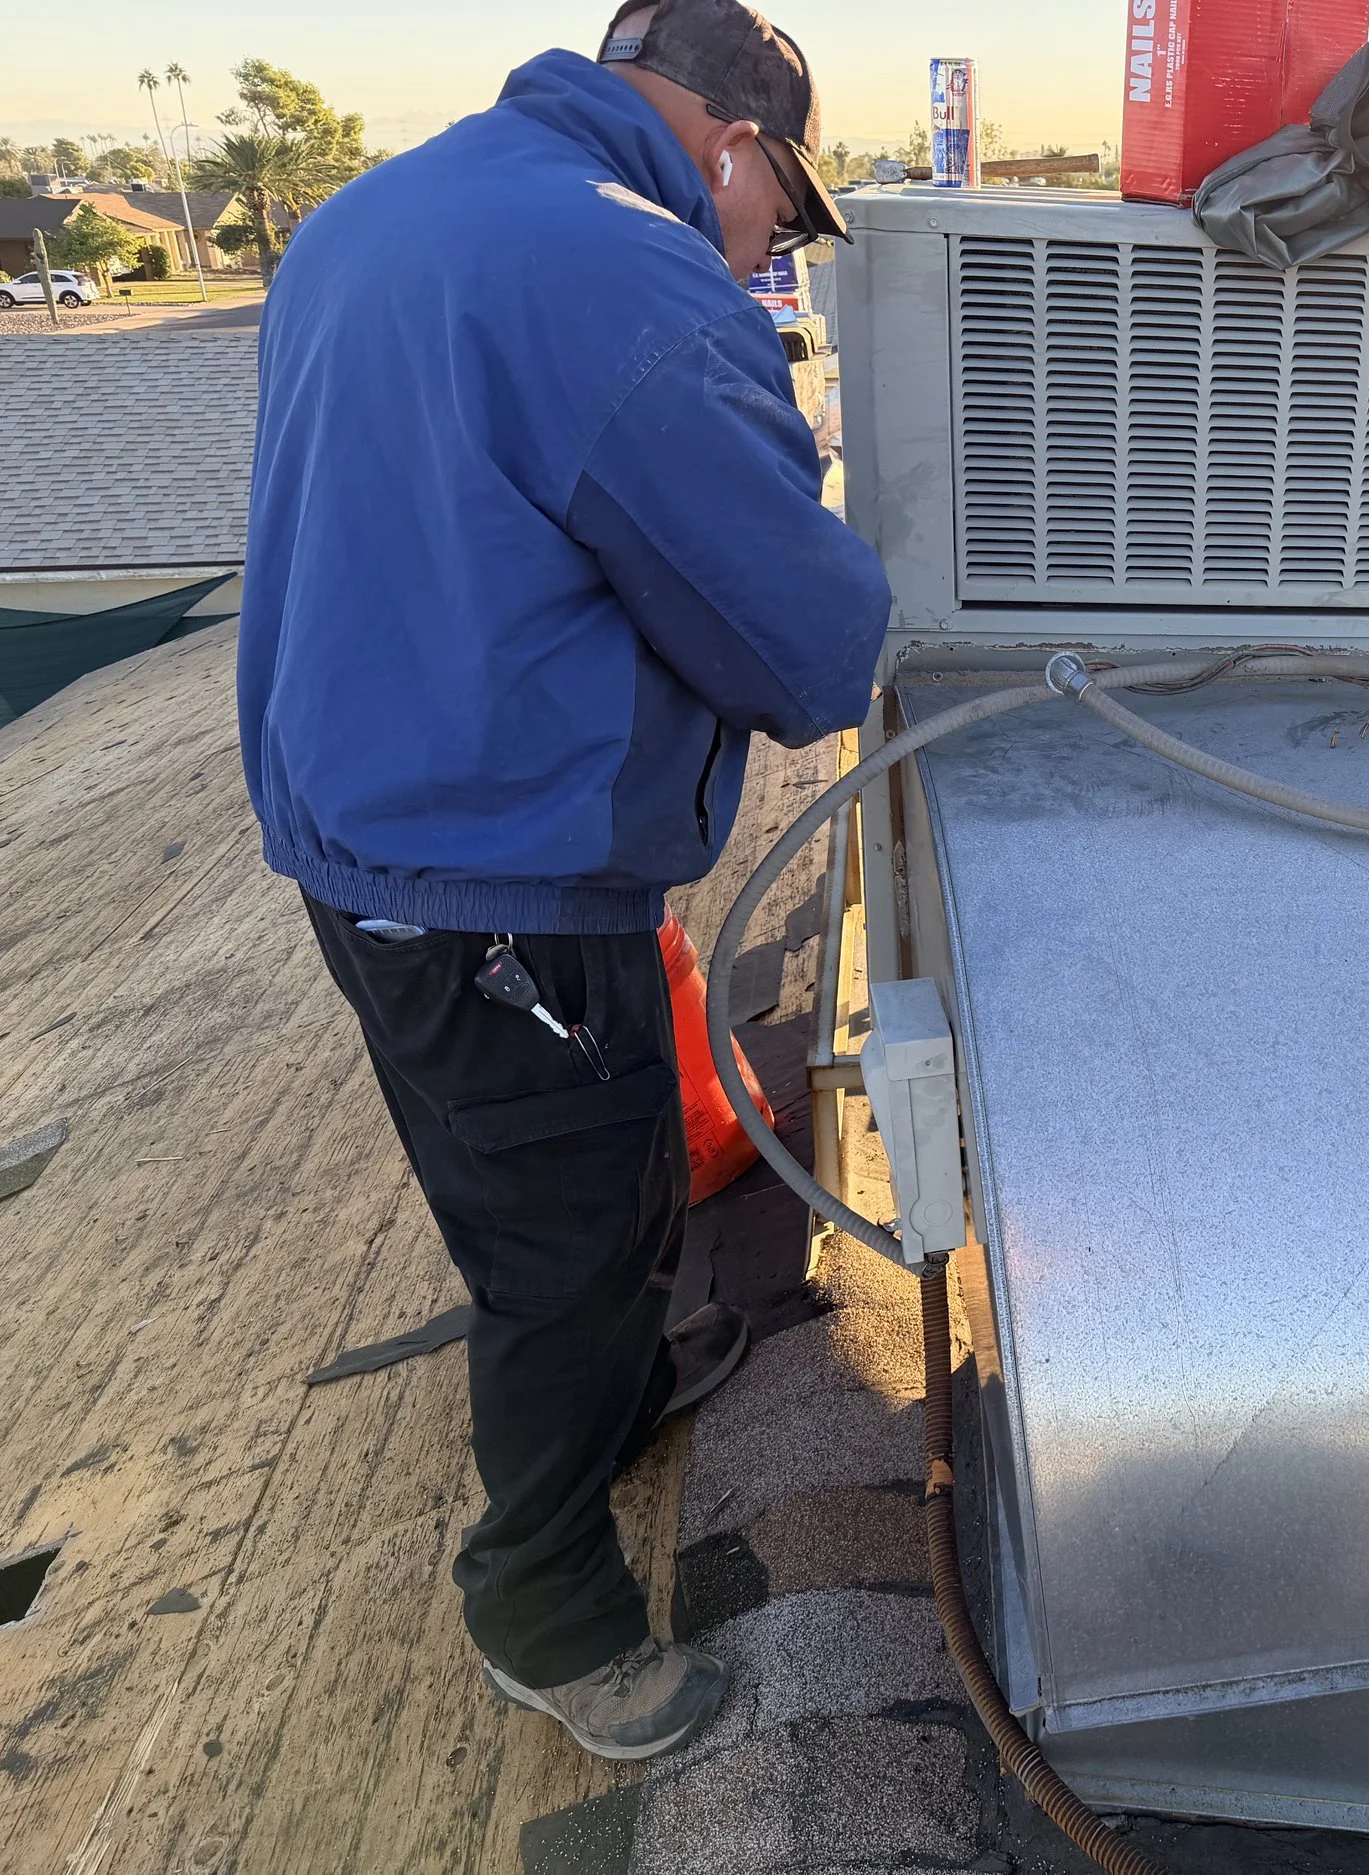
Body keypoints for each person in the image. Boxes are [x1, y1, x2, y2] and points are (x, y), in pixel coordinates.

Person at [236, 0, 888, 1761]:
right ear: (730, 144)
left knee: (513, 1180)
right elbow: (812, 649)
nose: (770, 244)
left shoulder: (384, 210)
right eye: (784, 207)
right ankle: (546, 1599)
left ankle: (601, 1409)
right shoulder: (635, 286)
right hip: (495, 871)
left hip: (352, 825)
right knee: (572, 1247)